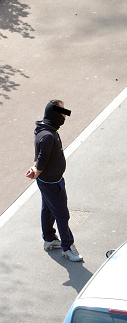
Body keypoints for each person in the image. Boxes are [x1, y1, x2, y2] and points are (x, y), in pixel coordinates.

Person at [25, 100, 83, 262]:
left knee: (48, 209)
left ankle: (49, 239)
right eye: (62, 112)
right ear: (54, 114)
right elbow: (42, 158)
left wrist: (35, 168)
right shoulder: (49, 135)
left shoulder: (44, 130)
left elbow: (40, 156)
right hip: (52, 183)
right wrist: (36, 170)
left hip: (49, 180)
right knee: (62, 215)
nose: (65, 115)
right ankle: (67, 247)